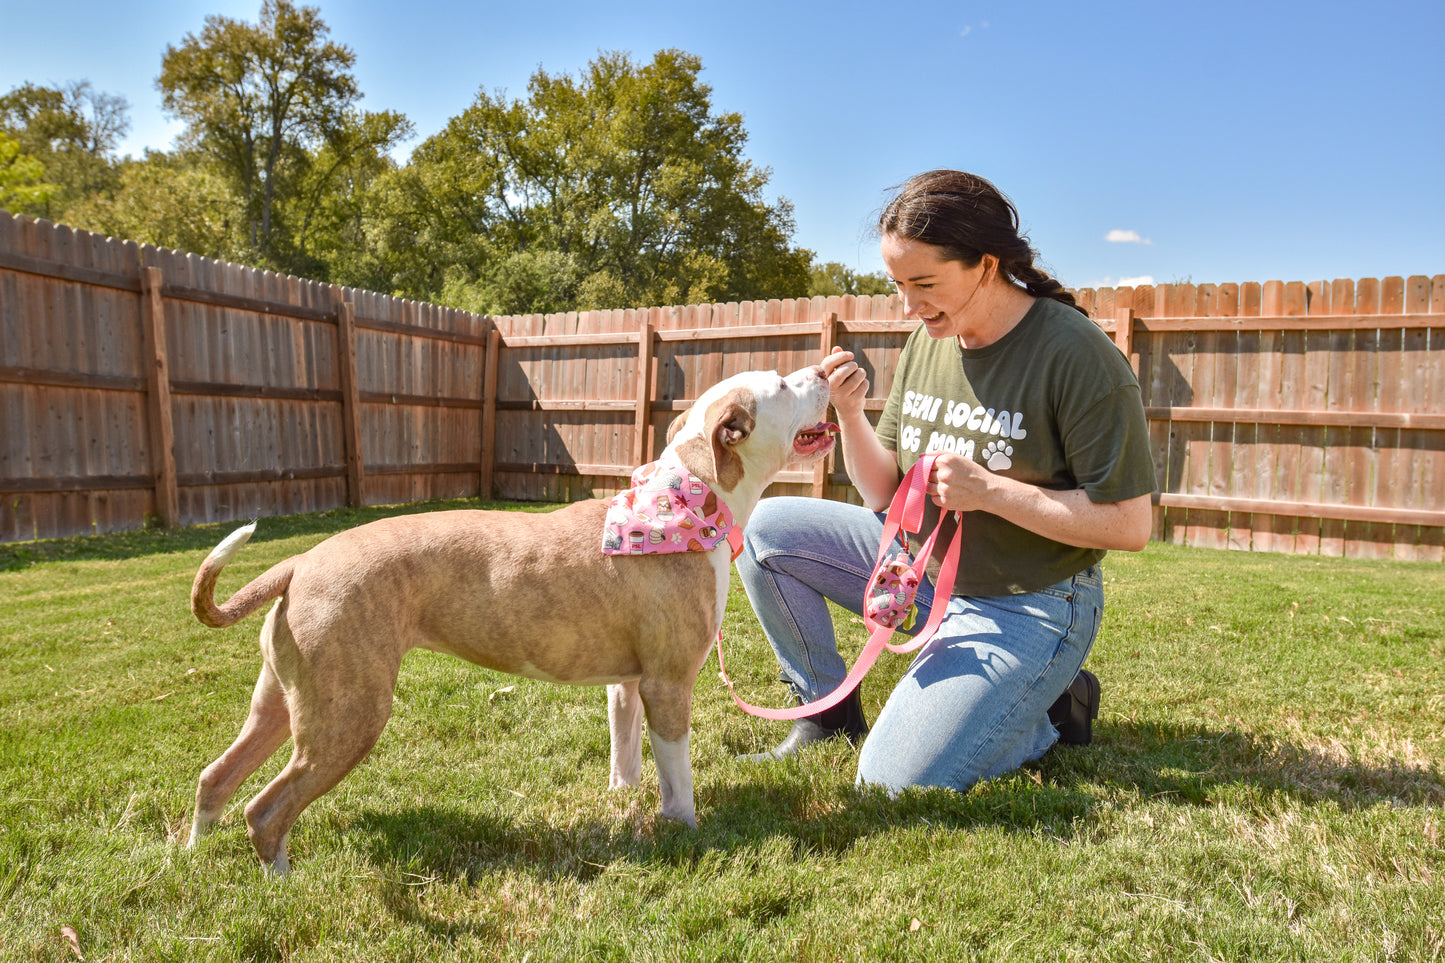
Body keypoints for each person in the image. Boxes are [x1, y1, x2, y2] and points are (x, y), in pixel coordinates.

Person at [735, 170, 1157, 795]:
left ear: (987, 266)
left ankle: (1046, 706)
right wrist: (850, 415)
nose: (908, 305)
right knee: (766, 532)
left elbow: (1129, 525)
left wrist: (991, 493)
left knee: (889, 784)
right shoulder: (927, 341)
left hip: (1027, 603)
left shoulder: (1077, 356)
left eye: (924, 284)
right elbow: (883, 494)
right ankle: (827, 712)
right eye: (898, 285)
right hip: (920, 575)